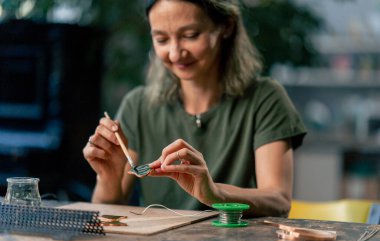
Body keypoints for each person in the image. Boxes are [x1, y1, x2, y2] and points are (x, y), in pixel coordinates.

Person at [83, 0, 307, 218]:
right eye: (161, 39)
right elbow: (109, 212)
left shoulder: (265, 99)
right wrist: (108, 178)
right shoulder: (138, 105)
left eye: (190, 36)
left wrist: (214, 194)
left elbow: (278, 200)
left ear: (226, 26)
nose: (174, 53)